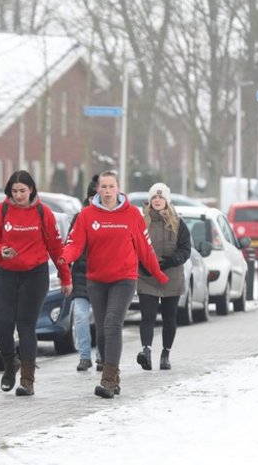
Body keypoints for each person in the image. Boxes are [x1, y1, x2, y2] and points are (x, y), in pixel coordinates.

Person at [59, 170, 168, 399]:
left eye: (111, 187)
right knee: (101, 331)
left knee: (112, 324)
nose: (107, 191)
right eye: (103, 187)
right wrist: (64, 257)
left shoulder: (132, 215)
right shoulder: (87, 215)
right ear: (97, 189)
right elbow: (75, 244)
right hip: (97, 279)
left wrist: (158, 274)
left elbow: (144, 248)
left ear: (118, 188)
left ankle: (107, 380)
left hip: (124, 278)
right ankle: (114, 373)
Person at [0, 170, 70, 396]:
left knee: (26, 325)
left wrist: (65, 276)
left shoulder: (43, 213)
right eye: (14, 191)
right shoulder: (0, 211)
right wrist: (1, 250)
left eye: (22, 191)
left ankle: (27, 380)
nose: (19, 196)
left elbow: (56, 248)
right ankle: (10, 364)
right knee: (2, 324)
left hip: (35, 274)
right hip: (5, 272)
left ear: (31, 190)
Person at [135, 183, 191, 371]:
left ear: (167, 200)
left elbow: (185, 249)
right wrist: (142, 265)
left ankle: (165, 354)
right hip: (146, 276)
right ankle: (146, 352)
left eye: (161, 197)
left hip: (171, 276)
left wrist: (172, 260)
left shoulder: (178, 222)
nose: (157, 200)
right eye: (154, 198)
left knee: (169, 318)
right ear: (150, 201)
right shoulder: (141, 221)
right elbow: (133, 245)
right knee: (147, 317)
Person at [66, 175, 102, 372]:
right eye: (92, 197)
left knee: (102, 318)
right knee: (80, 315)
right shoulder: (79, 218)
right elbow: (70, 244)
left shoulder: (109, 218)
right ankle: (84, 356)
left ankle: (102, 356)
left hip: (103, 276)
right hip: (81, 277)